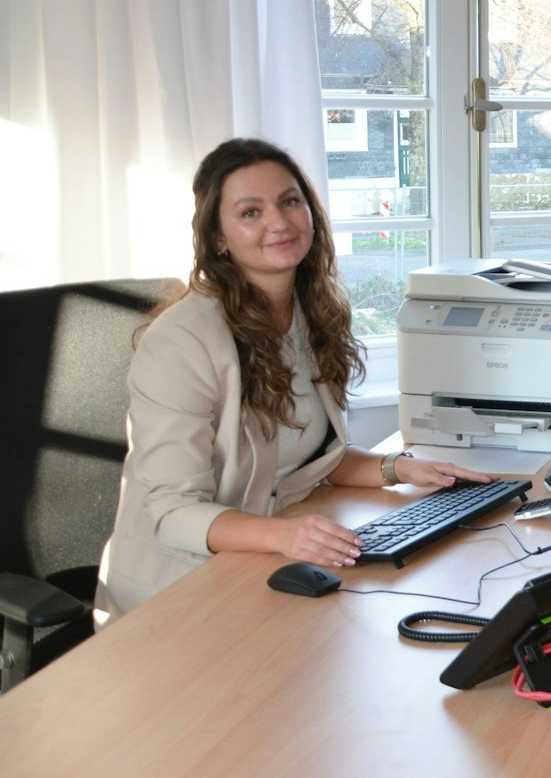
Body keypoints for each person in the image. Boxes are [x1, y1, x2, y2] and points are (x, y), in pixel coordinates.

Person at [95, 138, 490, 625]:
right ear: (218, 238)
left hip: (261, 563)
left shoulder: (310, 314)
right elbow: (173, 511)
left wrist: (399, 468)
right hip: (174, 589)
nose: (279, 223)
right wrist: (285, 536)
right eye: (250, 212)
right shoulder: (181, 342)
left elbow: (307, 456)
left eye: (289, 202)